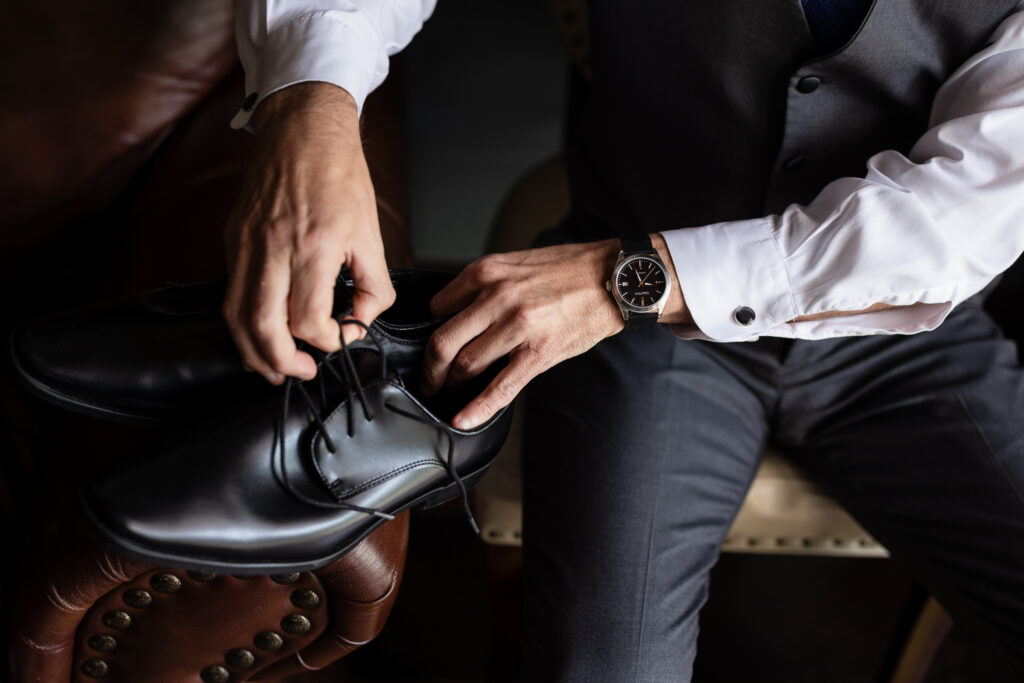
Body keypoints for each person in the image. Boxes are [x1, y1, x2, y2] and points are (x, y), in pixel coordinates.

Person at [225, 0, 1024, 679]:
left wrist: (627, 278)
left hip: (906, 330)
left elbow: (958, 214)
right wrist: (310, 108)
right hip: (639, 337)